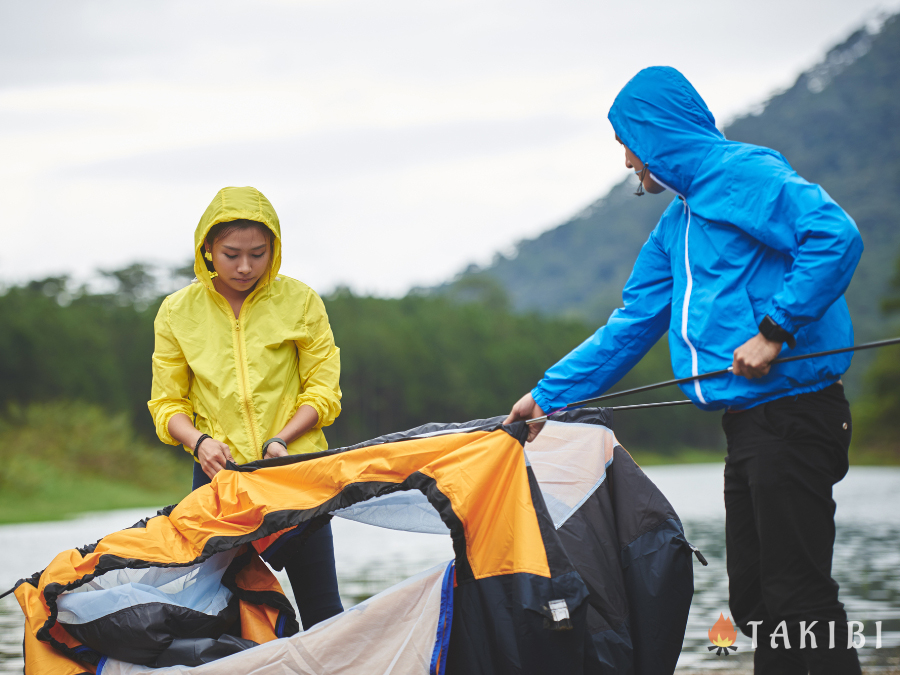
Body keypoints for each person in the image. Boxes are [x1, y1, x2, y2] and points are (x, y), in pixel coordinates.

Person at [505, 67, 863, 674]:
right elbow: (632, 323)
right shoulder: (678, 226)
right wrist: (546, 395)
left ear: (657, 136)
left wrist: (775, 331)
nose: (626, 162)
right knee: (754, 601)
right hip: (749, 426)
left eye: (628, 144)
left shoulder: (744, 174)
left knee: (793, 596)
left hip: (799, 416)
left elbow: (834, 234)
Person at [148, 185, 344, 630]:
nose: (244, 266)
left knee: (323, 611)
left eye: (258, 253)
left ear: (273, 249)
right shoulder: (177, 312)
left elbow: (322, 391)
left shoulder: (301, 301)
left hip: (296, 470)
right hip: (221, 480)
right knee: (226, 617)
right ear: (207, 250)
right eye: (231, 253)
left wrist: (281, 440)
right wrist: (199, 443)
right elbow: (167, 403)